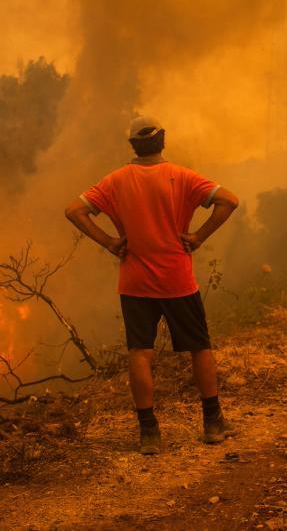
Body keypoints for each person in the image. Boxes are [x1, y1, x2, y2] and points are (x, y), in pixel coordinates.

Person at [64, 116, 239, 455]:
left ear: (133, 146)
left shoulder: (115, 181)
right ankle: (213, 423)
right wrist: (199, 236)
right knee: (199, 348)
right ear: (163, 140)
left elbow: (74, 210)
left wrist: (110, 242)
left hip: (135, 282)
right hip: (178, 280)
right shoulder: (182, 177)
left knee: (140, 353)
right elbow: (229, 201)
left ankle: (149, 434)